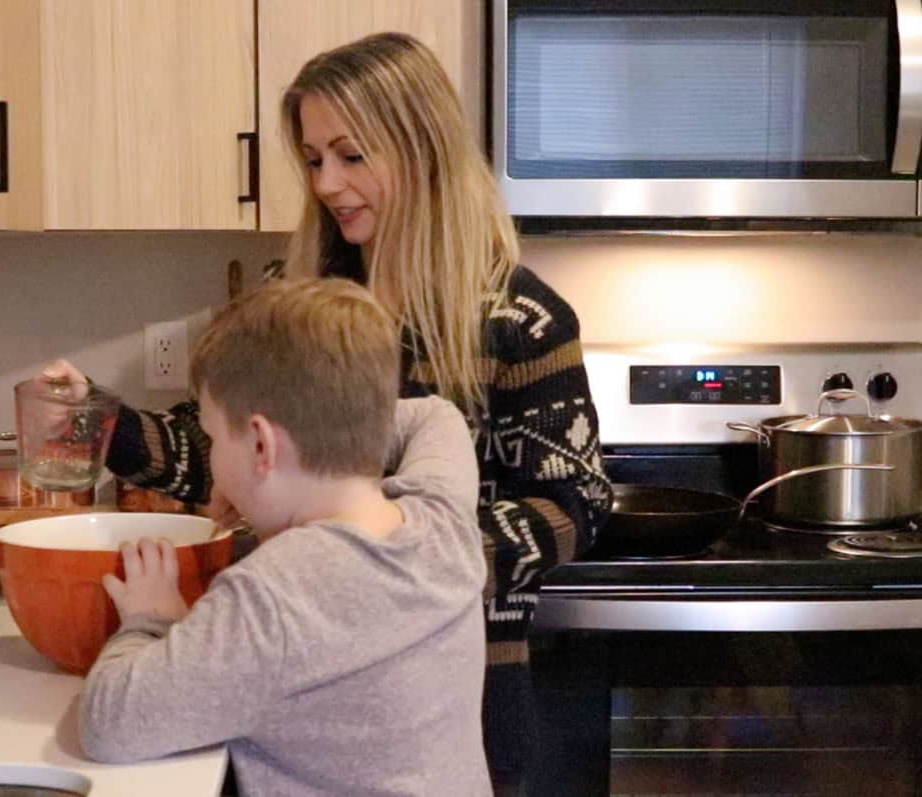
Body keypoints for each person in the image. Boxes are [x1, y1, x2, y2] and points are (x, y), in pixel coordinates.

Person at [50, 30, 612, 782]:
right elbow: (232, 454)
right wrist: (104, 419)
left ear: (420, 147)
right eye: (313, 159)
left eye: (350, 156)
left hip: (458, 691)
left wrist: (376, 578)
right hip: (290, 687)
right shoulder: (298, 292)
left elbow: (577, 505)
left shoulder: (520, 320)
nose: (325, 183)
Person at [78, 277, 492, 796]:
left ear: (260, 444)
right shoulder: (444, 520)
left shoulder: (273, 597)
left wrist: (148, 621)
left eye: (210, 435)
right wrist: (341, 425)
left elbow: (109, 723)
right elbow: (437, 415)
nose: (210, 455)